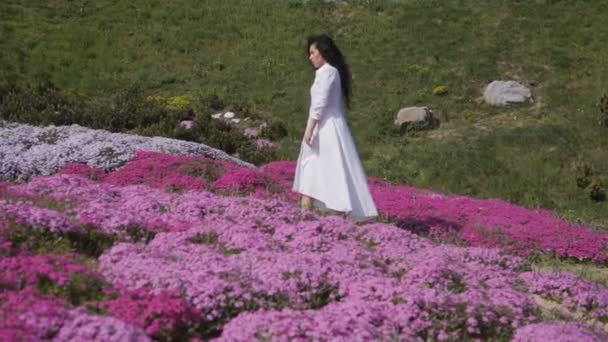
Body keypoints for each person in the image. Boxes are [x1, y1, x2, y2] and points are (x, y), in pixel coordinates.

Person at [292, 34, 378, 221]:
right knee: (313, 170)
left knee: (330, 170)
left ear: (323, 52)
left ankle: (336, 212)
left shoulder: (328, 72)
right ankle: (305, 213)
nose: (310, 57)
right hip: (321, 126)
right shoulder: (324, 72)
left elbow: (320, 103)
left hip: (327, 128)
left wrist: (310, 127)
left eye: (313, 52)